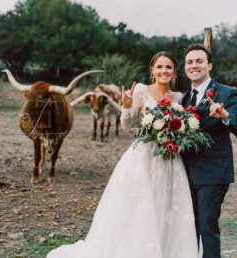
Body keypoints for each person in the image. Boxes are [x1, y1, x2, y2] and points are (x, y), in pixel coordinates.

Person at [47, 52, 199, 258]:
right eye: (160, 67)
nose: (164, 71)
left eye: (169, 67)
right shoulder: (141, 91)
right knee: (138, 207)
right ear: (152, 70)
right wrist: (126, 107)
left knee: (167, 207)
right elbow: (127, 127)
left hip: (169, 159)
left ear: (174, 72)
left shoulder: (180, 97)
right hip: (142, 158)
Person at [181, 44, 237, 258]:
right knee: (190, 227)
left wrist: (225, 117)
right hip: (186, 173)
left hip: (213, 174)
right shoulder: (185, 98)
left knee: (207, 227)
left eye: (199, 61)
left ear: (209, 65)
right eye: (189, 62)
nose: (194, 65)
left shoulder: (226, 93)